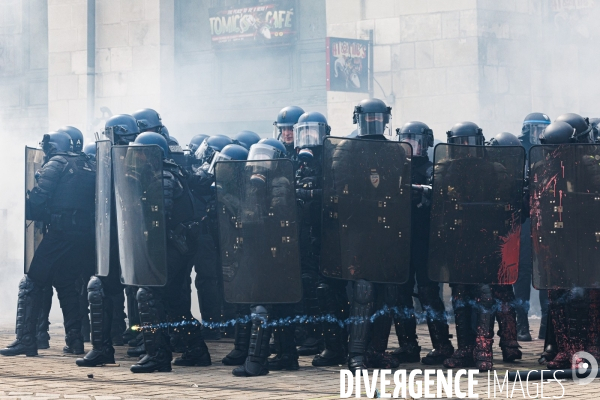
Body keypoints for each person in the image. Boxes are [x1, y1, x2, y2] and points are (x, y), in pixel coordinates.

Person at [1, 132, 95, 357]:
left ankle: (26, 340)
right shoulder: (88, 164)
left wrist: (33, 204)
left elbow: (39, 198)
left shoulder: (56, 163)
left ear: (53, 147)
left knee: (32, 282)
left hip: (61, 232)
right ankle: (75, 341)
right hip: (84, 235)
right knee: (66, 283)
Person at [76, 114, 141, 367]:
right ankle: (102, 348)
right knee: (99, 288)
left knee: (145, 294)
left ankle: (152, 344)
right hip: (114, 236)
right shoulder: (108, 161)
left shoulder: (139, 159)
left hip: (136, 238)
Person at [391, 121, 454, 365]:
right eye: (407, 139)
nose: (411, 144)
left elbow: (443, 199)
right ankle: (408, 345)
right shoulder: (397, 169)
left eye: (416, 139)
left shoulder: (433, 169)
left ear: (426, 142)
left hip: (425, 240)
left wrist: (424, 192)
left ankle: (442, 345)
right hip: (401, 240)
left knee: (428, 293)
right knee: (400, 293)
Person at [514, 113, 551, 342]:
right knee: (523, 273)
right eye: (536, 128)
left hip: (545, 218)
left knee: (546, 272)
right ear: (528, 129)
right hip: (525, 219)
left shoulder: (551, 149)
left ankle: (546, 326)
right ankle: (521, 325)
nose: (540, 133)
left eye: (543, 129)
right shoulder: (518, 150)